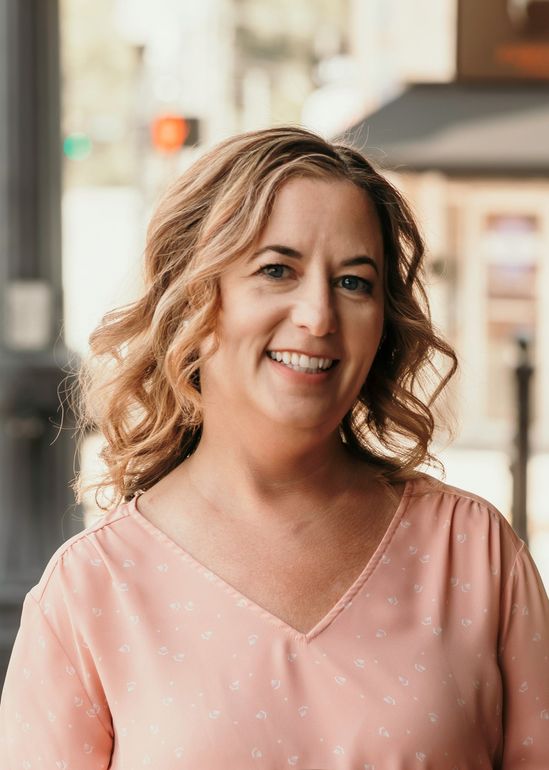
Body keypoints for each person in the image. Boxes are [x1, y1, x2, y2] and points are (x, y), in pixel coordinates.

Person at [1, 126, 548, 770]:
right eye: (277, 270)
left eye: (353, 282)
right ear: (194, 304)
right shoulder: (90, 592)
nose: (318, 314)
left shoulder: (474, 553)